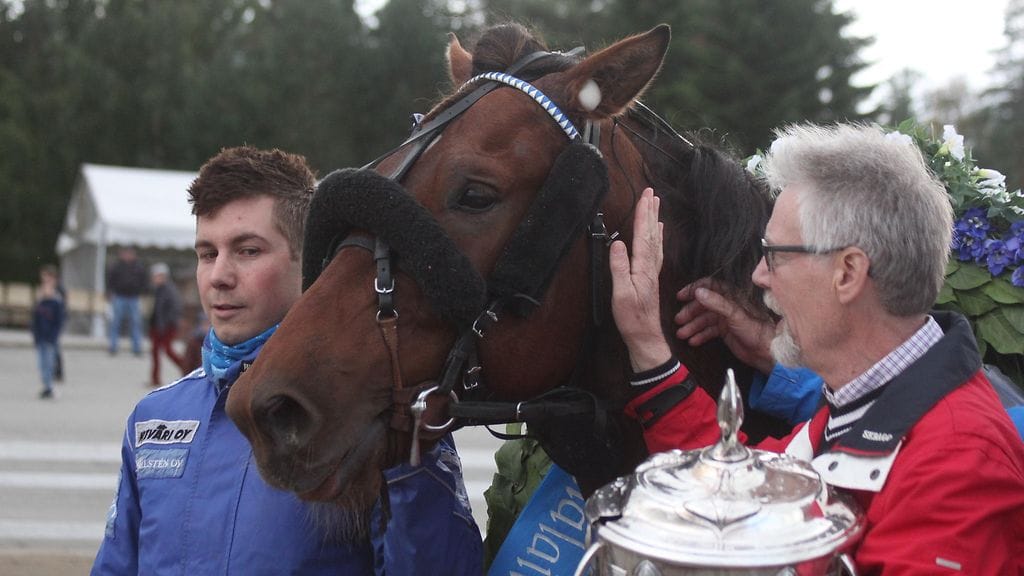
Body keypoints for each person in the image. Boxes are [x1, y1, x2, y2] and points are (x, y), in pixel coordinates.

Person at [609, 124, 1024, 574]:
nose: (759, 277)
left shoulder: (958, 462)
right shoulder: (869, 403)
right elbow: (740, 493)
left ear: (847, 273)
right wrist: (650, 349)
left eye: (775, 255)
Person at [91, 146, 482, 575]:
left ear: (311, 263)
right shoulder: (155, 418)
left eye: (248, 251)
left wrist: (409, 446)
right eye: (207, 254)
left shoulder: (368, 413)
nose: (219, 275)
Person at [147, 262, 187, 387]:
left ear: (163, 276)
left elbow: (174, 309)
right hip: (158, 326)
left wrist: (165, 325)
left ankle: (187, 368)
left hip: (165, 327)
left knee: (168, 350)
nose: (154, 279)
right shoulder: (159, 289)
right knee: (155, 352)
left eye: (157, 276)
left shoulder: (169, 290)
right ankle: (155, 379)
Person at [106, 246, 148, 356]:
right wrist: (110, 292)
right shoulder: (116, 266)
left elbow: (143, 281)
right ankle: (113, 346)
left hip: (133, 297)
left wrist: (141, 291)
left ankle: (136, 347)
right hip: (119, 296)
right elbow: (110, 280)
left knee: (135, 323)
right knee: (116, 322)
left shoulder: (138, 267)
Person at [31, 265, 65, 400]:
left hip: (51, 337)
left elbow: (59, 320)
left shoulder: (57, 298)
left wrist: (54, 336)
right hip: (40, 336)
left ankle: (50, 386)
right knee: (41, 363)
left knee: (50, 361)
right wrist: (35, 334)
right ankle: (46, 385)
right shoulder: (40, 299)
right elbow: (35, 319)